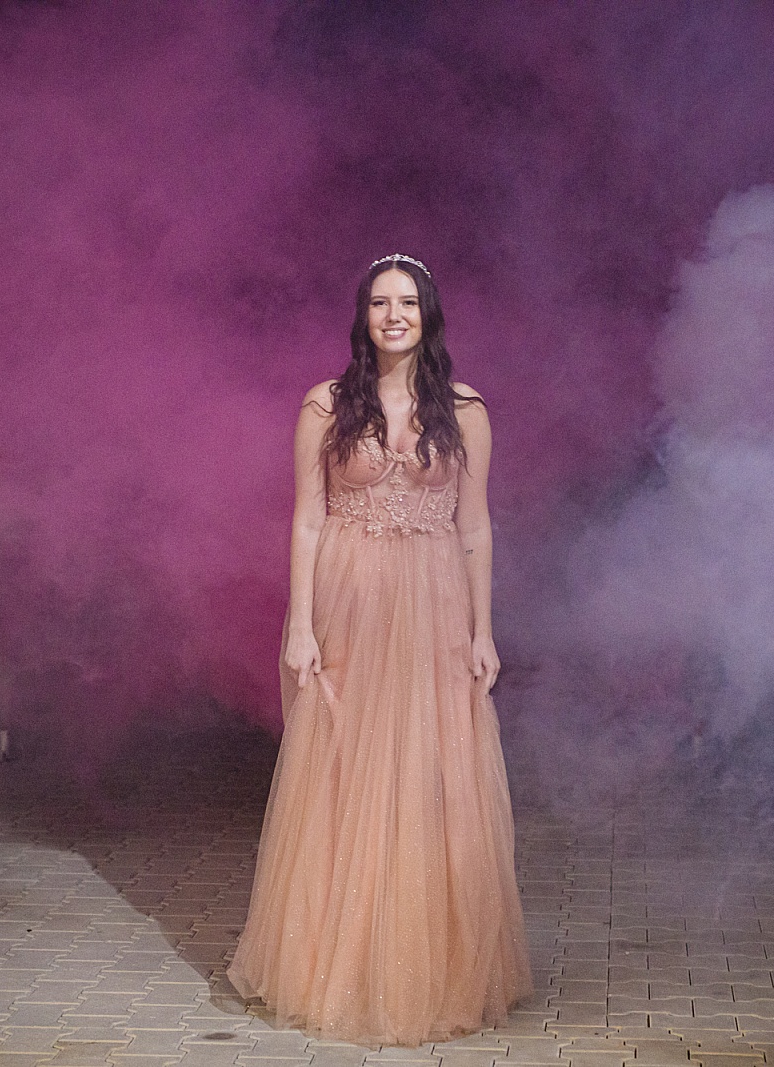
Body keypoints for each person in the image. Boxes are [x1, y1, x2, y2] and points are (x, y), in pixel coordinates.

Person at [227, 254, 531, 1046]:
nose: (394, 315)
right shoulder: (326, 405)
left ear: (428, 314)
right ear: (362, 316)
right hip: (350, 605)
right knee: (344, 772)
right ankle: (337, 964)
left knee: (429, 774)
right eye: (379, 303)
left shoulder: (464, 410)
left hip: (432, 605)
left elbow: (475, 527)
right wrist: (300, 625)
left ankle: (420, 968)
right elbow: (307, 519)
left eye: (407, 302)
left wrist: (482, 628)